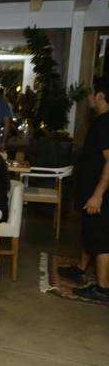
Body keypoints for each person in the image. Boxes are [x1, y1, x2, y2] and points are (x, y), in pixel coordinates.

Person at [61, 78, 109, 302]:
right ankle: (81, 268)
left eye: (92, 93)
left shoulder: (105, 123)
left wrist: (98, 194)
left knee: (101, 240)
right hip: (93, 192)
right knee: (91, 232)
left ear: (100, 96)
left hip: (100, 194)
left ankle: (103, 288)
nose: (89, 97)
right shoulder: (101, 121)